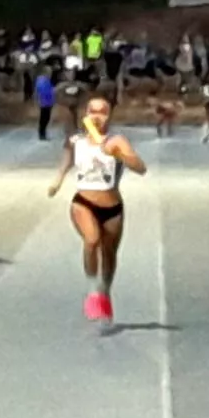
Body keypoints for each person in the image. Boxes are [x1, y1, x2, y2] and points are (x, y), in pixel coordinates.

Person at [47, 97, 147, 322]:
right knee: (91, 240)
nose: (97, 116)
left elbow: (141, 168)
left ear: (109, 116)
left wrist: (121, 155)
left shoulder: (117, 141)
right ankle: (92, 290)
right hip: (83, 202)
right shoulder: (76, 140)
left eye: (102, 112)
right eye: (93, 111)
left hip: (112, 206)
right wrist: (58, 180)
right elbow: (67, 160)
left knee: (109, 252)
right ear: (86, 113)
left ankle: (105, 291)